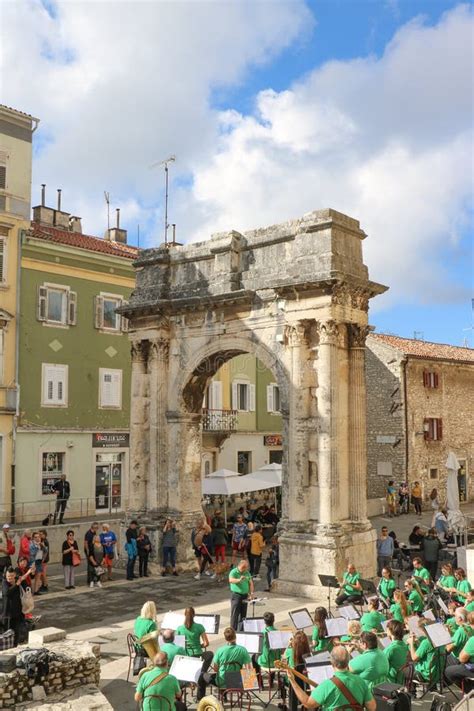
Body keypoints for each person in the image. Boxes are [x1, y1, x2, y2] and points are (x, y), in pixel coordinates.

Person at [287, 645, 376, 711]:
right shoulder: (360, 681)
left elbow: (308, 703)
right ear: (348, 660)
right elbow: (372, 707)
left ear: (332, 662)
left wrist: (292, 681)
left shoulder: (327, 685)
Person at [196, 626, 251, 701]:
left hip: (222, 681)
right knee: (227, 674)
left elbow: (216, 669)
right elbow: (249, 669)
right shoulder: (243, 650)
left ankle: (200, 699)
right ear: (235, 636)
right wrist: (248, 684)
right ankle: (223, 694)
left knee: (202, 675)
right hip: (237, 681)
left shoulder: (220, 650)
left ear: (225, 638)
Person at [2, 566, 32, 645]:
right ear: (5, 575)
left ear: (14, 575)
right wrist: (16, 585)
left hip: (18, 612)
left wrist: (29, 572)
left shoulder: (18, 580)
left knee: (17, 631)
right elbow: (7, 593)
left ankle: (15, 645)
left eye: (11, 576)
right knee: (7, 633)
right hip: (8, 614)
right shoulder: (4, 582)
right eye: (8, 576)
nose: (10, 578)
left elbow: (23, 578)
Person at [409, 617, 445, 683]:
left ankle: (412, 692)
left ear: (422, 630)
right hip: (438, 672)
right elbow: (427, 651)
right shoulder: (439, 639)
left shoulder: (426, 642)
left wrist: (411, 643)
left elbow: (414, 658)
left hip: (427, 674)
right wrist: (417, 642)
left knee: (407, 669)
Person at [284, 630, 311, 711]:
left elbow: (283, 657)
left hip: (293, 681)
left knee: (283, 677)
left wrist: (289, 645)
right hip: (305, 682)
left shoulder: (290, 651)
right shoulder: (309, 654)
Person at [445, 624, 474, 690]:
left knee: (449, 671)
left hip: (469, 665)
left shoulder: (464, 632)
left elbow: (462, 659)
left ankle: (469, 692)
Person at [229, 559, 254, 631]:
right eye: (245, 567)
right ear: (242, 567)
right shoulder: (233, 571)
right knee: (235, 614)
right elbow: (231, 580)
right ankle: (233, 630)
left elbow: (251, 583)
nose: (246, 569)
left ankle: (241, 630)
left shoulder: (247, 573)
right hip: (236, 595)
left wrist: (251, 593)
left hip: (244, 595)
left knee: (243, 614)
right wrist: (239, 580)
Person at [384, 619, 409, 684]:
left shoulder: (391, 649)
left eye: (387, 630)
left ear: (390, 631)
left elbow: (379, 662)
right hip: (401, 679)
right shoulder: (404, 645)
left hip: (391, 680)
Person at [29, 531, 45, 596]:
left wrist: (42, 547)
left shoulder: (40, 544)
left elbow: (46, 551)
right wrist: (38, 548)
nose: (37, 538)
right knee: (32, 578)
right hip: (33, 563)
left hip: (39, 562)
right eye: (35, 537)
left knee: (38, 577)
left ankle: (36, 591)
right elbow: (32, 554)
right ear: (33, 538)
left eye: (38, 537)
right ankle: (31, 591)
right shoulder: (32, 545)